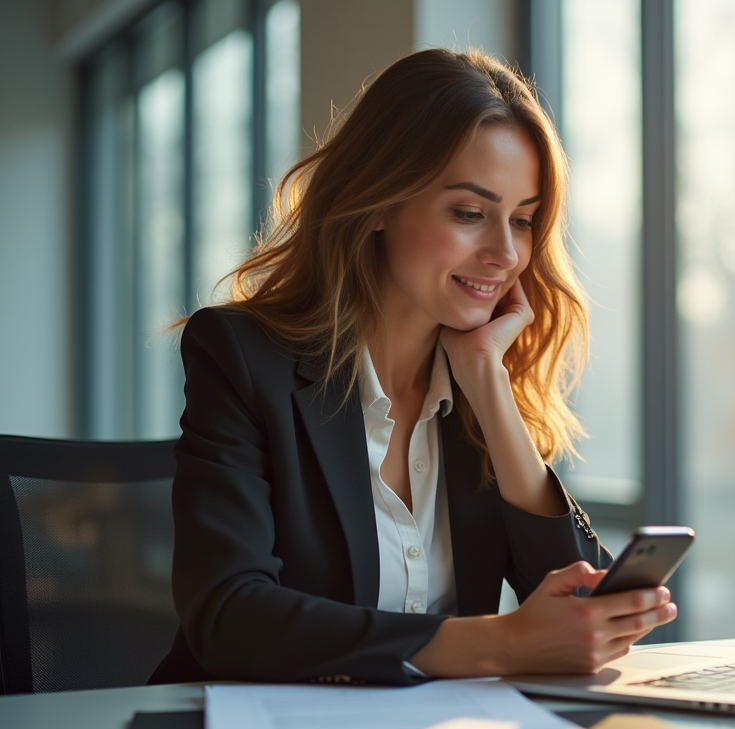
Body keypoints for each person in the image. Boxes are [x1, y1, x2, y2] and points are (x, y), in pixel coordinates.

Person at [150, 48, 676, 686]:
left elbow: (578, 599)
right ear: (377, 202)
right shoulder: (241, 356)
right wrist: (501, 642)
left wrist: (490, 386)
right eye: (469, 213)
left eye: (523, 220)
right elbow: (229, 618)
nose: (506, 253)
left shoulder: (474, 387)